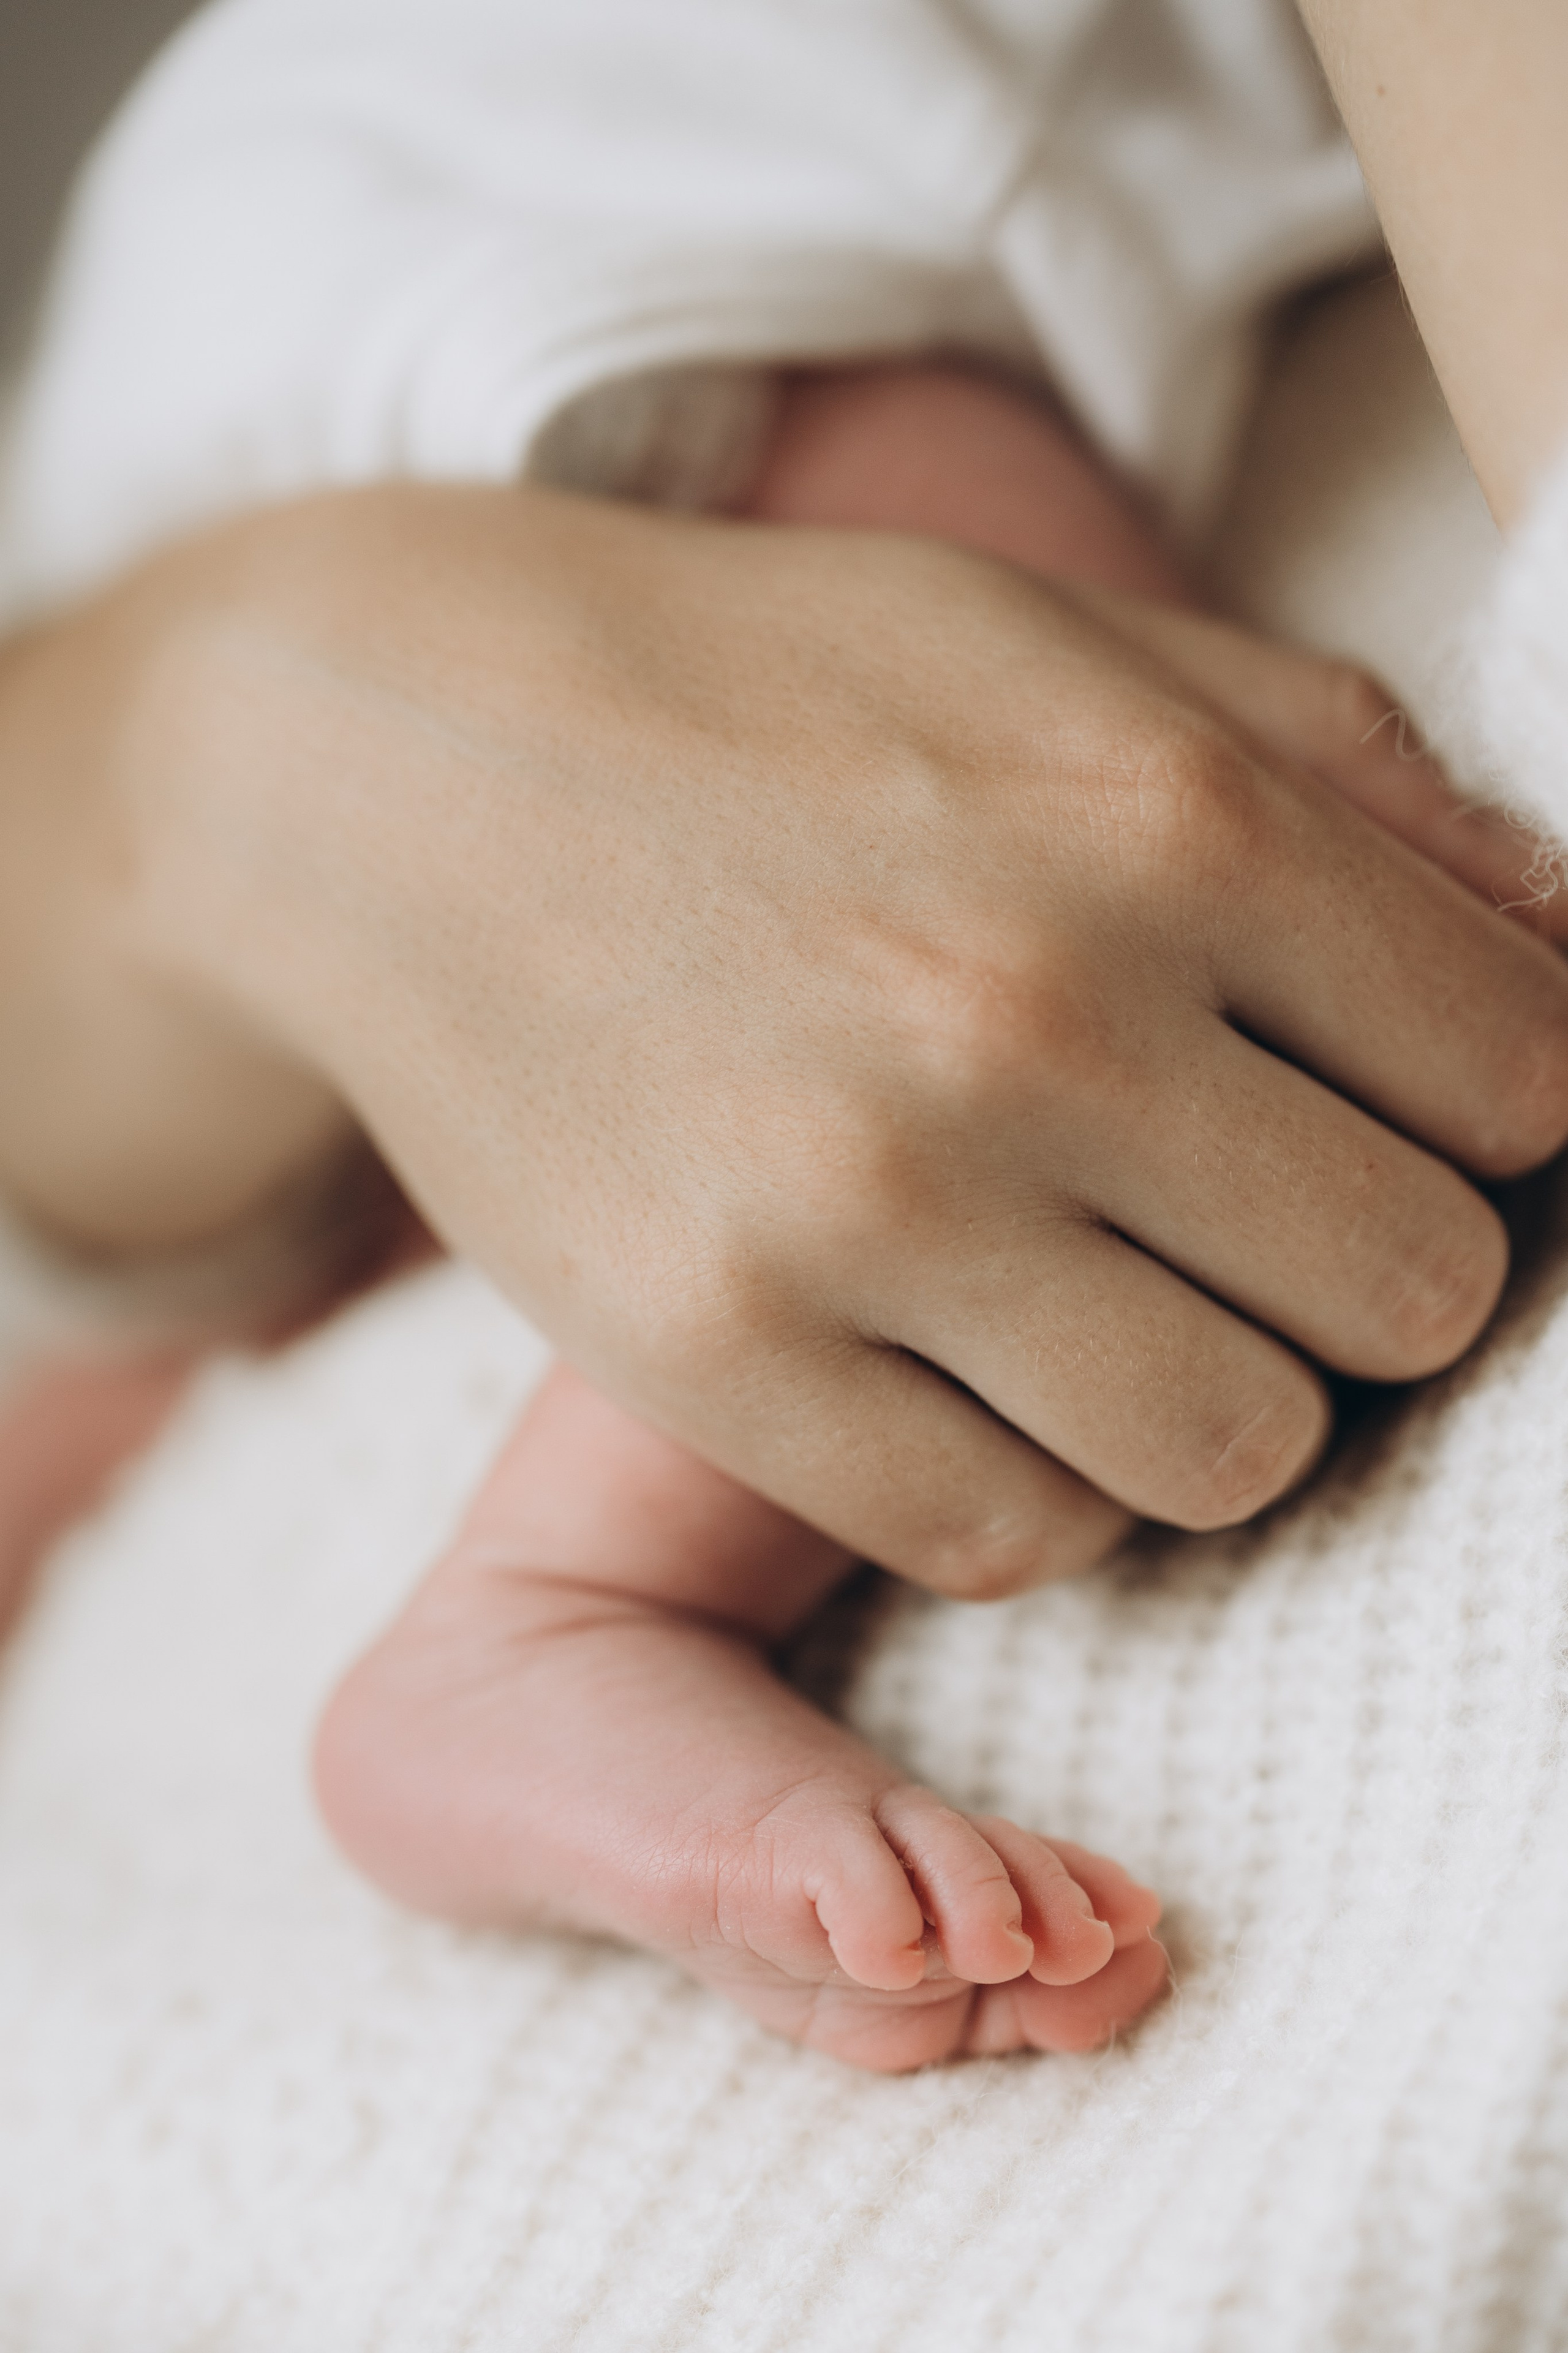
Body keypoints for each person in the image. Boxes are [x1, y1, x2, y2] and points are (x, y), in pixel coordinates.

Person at [1, 0, 1566, 2068]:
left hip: (355, 211)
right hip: (619, 176)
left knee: (143, 1330)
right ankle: (557, 1601)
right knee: (1056, 869)